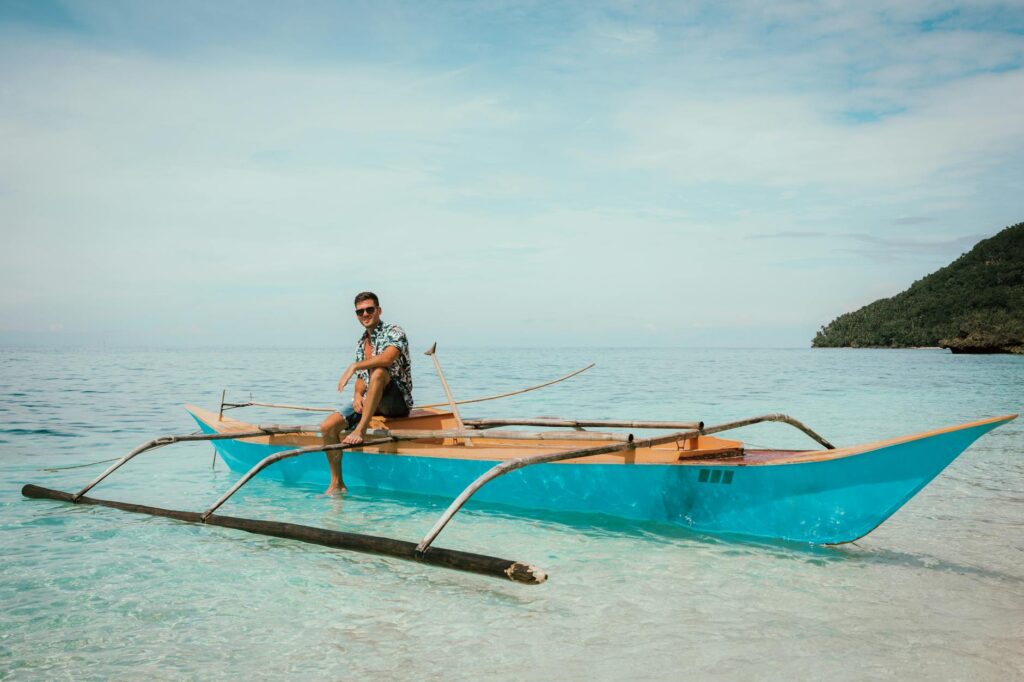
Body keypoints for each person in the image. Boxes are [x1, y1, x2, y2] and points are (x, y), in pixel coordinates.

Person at [319, 291, 413, 494]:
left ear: (379, 310)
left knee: (379, 372)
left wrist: (354, 366)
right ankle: (337, 483)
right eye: (360, 311)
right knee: (327, 427)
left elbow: (387, 359)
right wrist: (357, 395)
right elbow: (362, 379)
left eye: (369, 309)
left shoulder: (394, 331)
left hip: (396, 401)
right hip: (372, 399)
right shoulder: (362, 342)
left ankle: (360, 430)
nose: (365, 314)